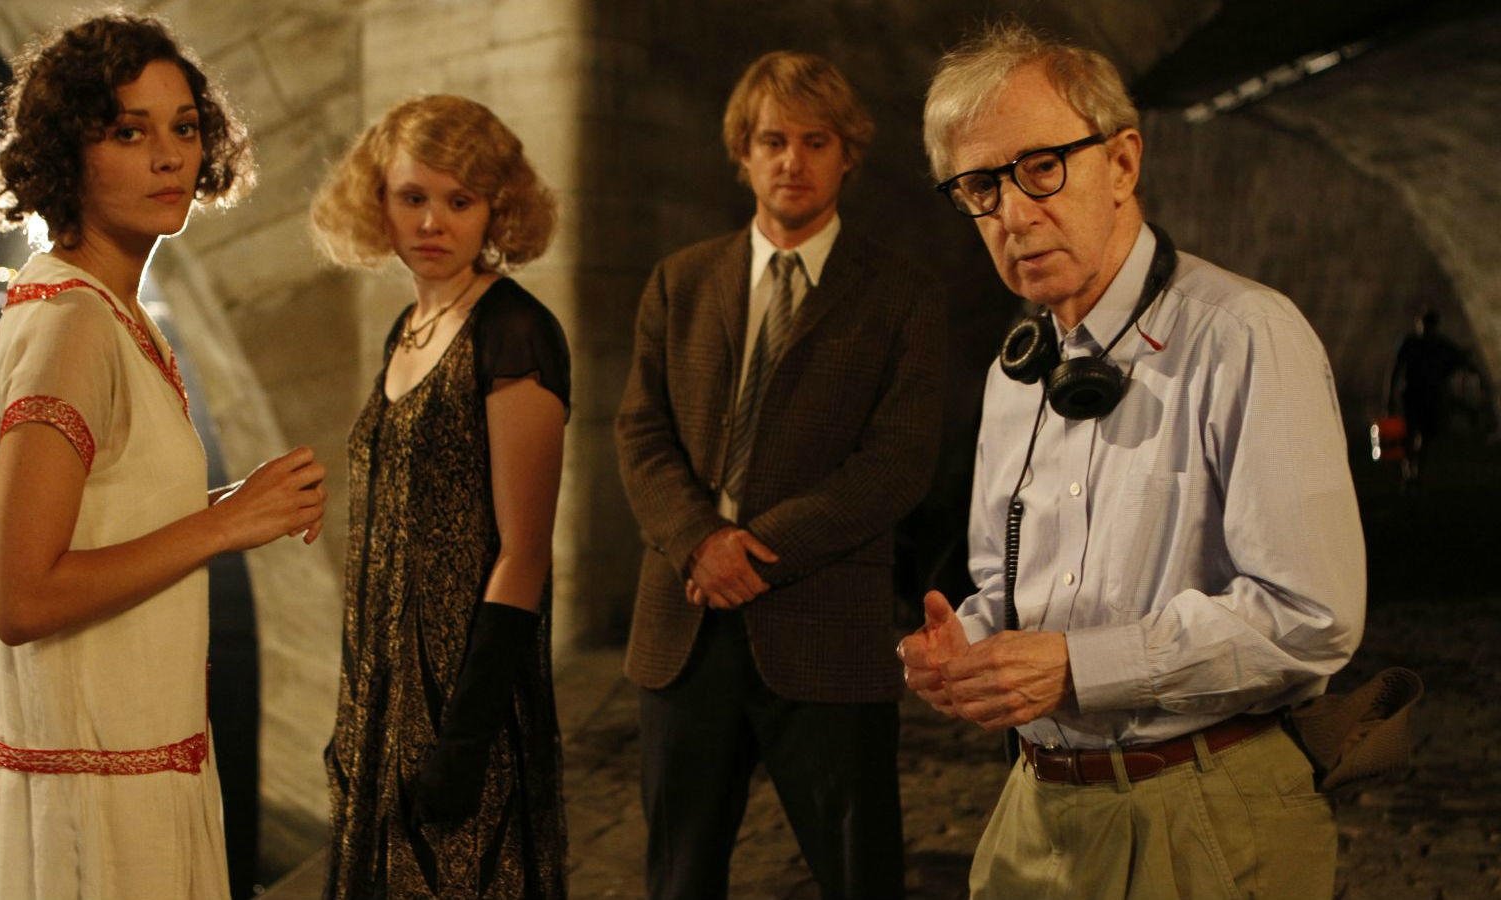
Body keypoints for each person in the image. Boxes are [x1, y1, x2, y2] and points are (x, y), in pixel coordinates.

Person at [899, 21, 1365, 899]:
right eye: (981, 187)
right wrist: (968, 645)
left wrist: (1079, 667)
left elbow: (1312, 616)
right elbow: (1007, 588)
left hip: (1204, 811)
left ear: (1121, 163)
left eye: (1042, 167)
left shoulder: (1244, 336)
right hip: (1034, 810)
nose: (1014, 214)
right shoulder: (1016, 373)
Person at [0, 14, 328, 899]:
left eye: (185, 127)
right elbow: (21, 598)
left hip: (124, 767)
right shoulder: (75, 328)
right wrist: (222, 528)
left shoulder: (107, 312)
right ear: (67, 155)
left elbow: (102, 518)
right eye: (129, 132)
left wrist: (227, 507)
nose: (171, 157)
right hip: (100, 808)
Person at [615, 51, 945, 899]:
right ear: (744, 152)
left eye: (815, 141)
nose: (792, 160)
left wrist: (755, 549)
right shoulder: (681, 282)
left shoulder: (901, 294)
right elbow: (641, 432)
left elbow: (898, 461)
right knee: (679, 880)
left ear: (847, 154)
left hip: (826, 624)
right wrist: (700, 542)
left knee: (860, 876)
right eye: (773, 141)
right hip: (685, 628)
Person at [310, 94, 570, 898]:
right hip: (383, 695)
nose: (432, 222)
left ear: (497, 209)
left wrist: (463, 739)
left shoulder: (513, 330)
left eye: (460, 201)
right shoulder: (408, 326)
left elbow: (525, 550)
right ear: (377, 202)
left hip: (463, 699)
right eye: (412, 197)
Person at [1387, 308, 1486, 486]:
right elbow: (1396, 370)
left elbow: (1460, 360)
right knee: (1411, 434)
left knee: (1424, 435)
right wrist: (1390, 395)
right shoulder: (1412, 344)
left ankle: (1415, 472)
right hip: (1413, 395)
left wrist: (1473, 369)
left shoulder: (1439, 346)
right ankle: (1409, 470)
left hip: (1429, 396)